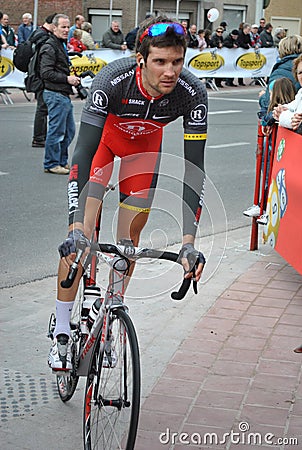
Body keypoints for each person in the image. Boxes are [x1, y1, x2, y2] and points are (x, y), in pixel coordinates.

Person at [48, 16, 207, 371]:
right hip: (103, 145)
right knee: (82, 237)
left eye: (177, 62)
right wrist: (75, 225)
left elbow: (193, 171)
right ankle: (60, 330)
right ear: (141, 59)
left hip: (143, 153)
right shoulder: (112, 80)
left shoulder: (192, 93)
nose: (170, 71)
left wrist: (188, 242)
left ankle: (112, 313)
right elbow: (83, 154)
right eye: (160, 62)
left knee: (128, 241)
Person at [243, 77, 296, 222]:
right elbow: (266, 118)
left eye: (271, 92)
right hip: (277, 152)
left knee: (272, 181)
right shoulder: (281, 109)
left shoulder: (284, 110)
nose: (269, 95)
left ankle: (266, 209)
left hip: (277, 152)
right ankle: (262, 206)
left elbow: (267, 118)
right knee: (270, 181)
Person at [39, 13, 81, 175]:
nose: (66, 30)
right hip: (54, 93)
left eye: (67, 27)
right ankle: (51, 163)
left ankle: (61, 162)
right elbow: (46, 72)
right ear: (54, 28)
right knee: (56, 131)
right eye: (63, 27)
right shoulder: (50, 46)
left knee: (69, 130)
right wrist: (67, 79)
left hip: (62, 93)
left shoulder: (60, 44)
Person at [29, 13, 56, 148]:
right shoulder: (43, 36)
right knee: (42, 108)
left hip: (37, 76)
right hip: (40, 77)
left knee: (42, 108)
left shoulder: (39, 33)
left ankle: (40, 136)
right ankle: (39, 137)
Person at [274, 54, 302, 134]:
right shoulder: (300, 94)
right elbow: (291, 107)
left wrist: (283, 116)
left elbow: (297, 122)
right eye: (300, 73)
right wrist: (279, 111)